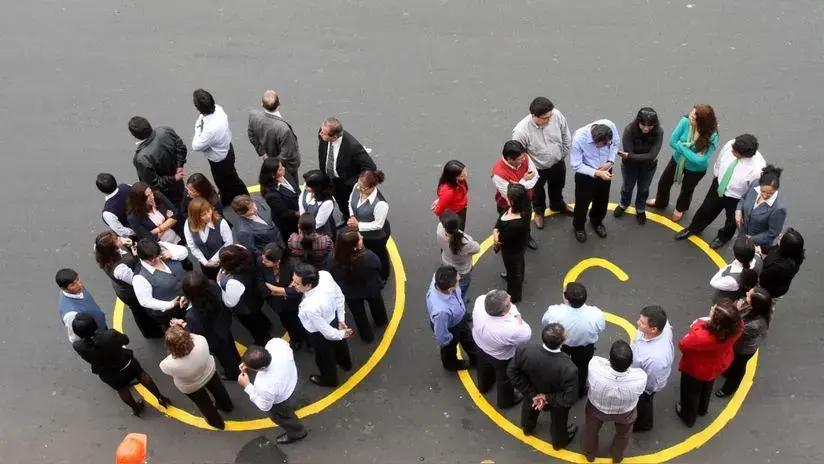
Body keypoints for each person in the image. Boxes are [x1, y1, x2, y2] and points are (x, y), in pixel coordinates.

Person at [674, 134, 766, 247]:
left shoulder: (757, 169)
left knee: (732, 220)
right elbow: (719, 160)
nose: (731, 151)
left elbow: (754, 191)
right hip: (719, 185)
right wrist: (716, 175)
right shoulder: (731, 144)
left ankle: (723, 237)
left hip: (737, 196)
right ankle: (694, 228)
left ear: (745, 155)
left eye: (735, 152)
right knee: (706, 208)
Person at [72, 313, 170, 416]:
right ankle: (160, 397)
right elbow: (126, 340)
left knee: (121, 389)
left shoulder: (78, 346)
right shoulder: (109, 334)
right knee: (142, 375)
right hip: (126, 363)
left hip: (108, 373)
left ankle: (135, 408)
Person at [507, 323, 578, 449]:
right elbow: (569, 398)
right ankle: (558, 442)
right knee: (558, 422)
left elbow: (512, 372)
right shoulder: (569, 368)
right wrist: (546, 398)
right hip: (555, 400)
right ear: (562, 342)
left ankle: (527, 428)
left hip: (532, 392)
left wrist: (532, 393)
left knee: (529, 409)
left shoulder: (524, 350)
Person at [647, 104, 720, 222]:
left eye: (693, 117)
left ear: (702, 122)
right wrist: (692, 154)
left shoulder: (712, 136)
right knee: (664, 183)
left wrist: (681, 147)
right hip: (677, 160)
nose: (689, 117)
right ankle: (660, 202)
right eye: (691, 114)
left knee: (687, 190)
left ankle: (680, 209)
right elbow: (672, 141)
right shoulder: (684, 121)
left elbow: (701, 160)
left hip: (696, 170)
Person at [677, 299, 743, 427]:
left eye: (714, 309)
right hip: (716, 364)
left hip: (697, 368)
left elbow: (683, 345)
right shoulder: (737, 327)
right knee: (707, 387)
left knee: (690, 393)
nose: (711, 308)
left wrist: (699, 324)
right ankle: (702, 409)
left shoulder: (701, 336)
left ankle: (688, 417)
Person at [581, 341, 648, 463]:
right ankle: (617, 456)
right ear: (630, 362)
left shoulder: (594, 366)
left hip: (596, 408)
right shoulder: (641, 377)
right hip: (625, 412)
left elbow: (596, 359)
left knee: (591, 430)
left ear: (610, 359)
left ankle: (590, 455)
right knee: (623, 434)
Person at [512, 96, 574, 227]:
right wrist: (528, 170)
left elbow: (565, 135)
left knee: (558, 185)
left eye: (550, 116)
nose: (549, 119)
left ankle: (557, 204)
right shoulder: (521, 131)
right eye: (545, 118)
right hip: (537, 168)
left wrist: (562, 154)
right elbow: (519, 155)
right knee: (537, 192)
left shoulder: (555, 115)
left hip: (557, 162)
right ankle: (539, 212)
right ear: (534, 116)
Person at [159, 324, 233, 429]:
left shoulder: (168, 363)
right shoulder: (201, 341)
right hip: (209, 372)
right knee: (218, 389)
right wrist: (181, 328)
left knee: (204, 403)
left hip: (191, 385)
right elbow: (194, 336)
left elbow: (164, 369)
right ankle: (226, 406)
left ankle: (217, 423)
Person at [293, 263, 354, 387]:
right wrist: (341, 319)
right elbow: (339, 296)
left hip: (317, 333)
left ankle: (330, 380)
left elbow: (327, 332)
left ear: (308, 285)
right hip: (333, 318)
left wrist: (341, 333)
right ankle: (346, 364)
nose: (293, 284)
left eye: (296, 283)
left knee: (324, 357)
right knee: (340, 345)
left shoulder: (310, 307)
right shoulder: (324, 276)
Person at [94, 231, 164, 338]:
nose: (119, 239)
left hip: (123, 285)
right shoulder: (119, 269)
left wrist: (124, 240)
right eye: (116, 240)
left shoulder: (103, 251)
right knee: (140, 312)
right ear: (112, 248)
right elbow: (135, 280)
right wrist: (136, 257)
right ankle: (150, 332)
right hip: (130, 292)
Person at [541, 282, 606, 397]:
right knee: (582, 368)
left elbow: (545, 323)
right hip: (585, 348)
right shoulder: (596, 314)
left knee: (561, 366)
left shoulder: (554, 312)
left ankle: (562, 387)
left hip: (562, 345)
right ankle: (580, 391)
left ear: (566, 299)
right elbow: (600, 328)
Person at [238, 340, 308, 444]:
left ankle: (297, 433)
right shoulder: (276, 344)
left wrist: (247, 386)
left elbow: (264, 406)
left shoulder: (264, 385)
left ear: (262, 368)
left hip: (280, 400)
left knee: (283, 417)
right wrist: (248, 363)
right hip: (290, 381)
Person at [471, 290, 532, 409]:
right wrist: (516, 314)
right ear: (503, 312)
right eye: (509, 302)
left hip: (480, 345)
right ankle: (506, 401)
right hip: (500, 356)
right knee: (504, 378)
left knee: (483, 366)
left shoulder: (479, 302)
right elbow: (526, 334)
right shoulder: (512, 329)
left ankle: (484, 385)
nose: (510, 296)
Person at [191, 88, 249, 205]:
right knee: (232, 177)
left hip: (219, 160)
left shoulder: (210, 131)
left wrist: (198, 128)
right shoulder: (218, 109)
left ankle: (240, 199)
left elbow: (196, 145)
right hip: (227, 150)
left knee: (227, 181)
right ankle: (235, 196)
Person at [331, 227, 389, 343]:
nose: (362, 237)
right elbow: (378, 266)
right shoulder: (368, 257)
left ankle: (366, 336)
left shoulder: (335, 259)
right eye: (359, 238)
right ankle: (380, 321)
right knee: (377, 304)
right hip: (370, 287)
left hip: (351, 292)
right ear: (355, 246)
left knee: (359, 315)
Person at [182, 271, 242, 379]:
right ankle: (237, 359)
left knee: (223, 356)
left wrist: (182, 323)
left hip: (213, 337)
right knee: (230, 344)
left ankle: (233, 373)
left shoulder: (192, 315)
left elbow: (196, 330)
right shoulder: (213, 286)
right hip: (224, 322)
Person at [570, 119, 621, 242]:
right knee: (582, 203)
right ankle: (579, 226)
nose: (607, 146)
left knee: (602, 200)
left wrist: (610, 161)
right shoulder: (579, 139)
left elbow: (615, 144)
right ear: (595, 142)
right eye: (605, 145)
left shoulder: (610, 126)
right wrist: (597, 173)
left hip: (606, 168)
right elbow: (576, 165)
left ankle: (596, 221)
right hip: (586, 174)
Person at [318, 116, 377, 220]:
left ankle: (349, 218)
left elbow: (370, 167)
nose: (320, 134)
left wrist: (354, 181)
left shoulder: (352, 147)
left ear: (334, 137)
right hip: (329, 177)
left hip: (344, 183)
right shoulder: (324, 134)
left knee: (345, 203)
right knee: (339, 201)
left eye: (323, 133)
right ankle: (345, 214)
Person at [717, 287, 772, 397]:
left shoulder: (755, 325)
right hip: (738, 345)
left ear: (755, 303)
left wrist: (736, 311)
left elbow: (736, 332)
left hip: (744, 350)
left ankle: (729, 389)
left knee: (739, 367)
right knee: (733, 362)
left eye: (749, 295)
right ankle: (728, 372)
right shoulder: (752, 307)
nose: (746, 294)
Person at [613, 108, 664, 224]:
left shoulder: (659, 132)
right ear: (638, 122)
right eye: (643, 125)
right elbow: (648, 155)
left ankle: (640, 208)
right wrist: (640, 156)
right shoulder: (629, 130)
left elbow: (652, 155)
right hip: (630, 167)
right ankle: (623, 203)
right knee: (627, 187)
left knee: (644, 189)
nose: (646, 128)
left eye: (650, 125)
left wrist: (630, 156)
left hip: (647, 167)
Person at [217, 244, 273, 346]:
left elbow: (230, 303)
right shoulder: (248, 259)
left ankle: (263, 339)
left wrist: (220, 283)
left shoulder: (233, 282)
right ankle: (267, 325)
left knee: (253, 327)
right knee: (259, 314)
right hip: (255, 297)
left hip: (246, 309)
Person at [629, 305, 674, 432]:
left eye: (642, 322)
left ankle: (643, 424)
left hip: (644, 388)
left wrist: (641, 390)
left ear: (654, 329)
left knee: (644, 404)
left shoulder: (656, 359)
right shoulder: (661, 326)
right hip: (641, 375)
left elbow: (651, 384)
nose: (638, 322)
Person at [425, 265, 478, 371]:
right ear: (450, 289)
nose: (460, 279)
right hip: (451, 327)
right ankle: (451, 364)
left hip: (458, 319)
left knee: (468, 339)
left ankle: (476, 359)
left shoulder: (438, 278)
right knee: (449, 349)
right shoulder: (441, 311)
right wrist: (449, 340)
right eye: (458, 281)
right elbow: (441, 335)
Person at [129, 116, 188, 208]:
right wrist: (180, 166)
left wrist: (174, 178)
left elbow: (154, 183)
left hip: (166, 193)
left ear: (134, 135)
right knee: (183, 201)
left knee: (174, 211)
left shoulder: (141, 158)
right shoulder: (165, 130)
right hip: (178, 179)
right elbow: (181, 148)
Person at [259, 243, 308, 350]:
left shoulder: (293, 265)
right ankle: (296, 339)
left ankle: (308, 340)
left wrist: (275, 289)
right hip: (278, 305)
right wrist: (286, 291)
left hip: (295, 302)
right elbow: (261, 285)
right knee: (289, 323)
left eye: (266, 261)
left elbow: (298, 288)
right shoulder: (261, 262)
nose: (263, 262)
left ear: (278, 261)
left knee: (304, 320)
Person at [132, 238, 190, 329]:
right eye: (152, 259)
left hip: (189, 297)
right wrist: (171, 304)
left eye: (158, 255)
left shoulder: (161, 247)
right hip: (171, 312)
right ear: (142, 257)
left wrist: (173, 254)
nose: (158, 259)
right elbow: (145, 301)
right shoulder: (139, 277)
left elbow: (184, 251)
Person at [491, 140, 538, 249]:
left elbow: (535, 176)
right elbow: (510, 194)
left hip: (526, 200)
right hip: (507, 205)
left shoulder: (524, 156)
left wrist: (520, 184)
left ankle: (527, 237)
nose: (523, 159)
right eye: (520, 159)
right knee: (507, 226)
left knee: (526, 221)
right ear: (509, 159)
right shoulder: (497, 174)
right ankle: (506, 242)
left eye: (523, 157)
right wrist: (524, 180)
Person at [346, 170, 392, 280]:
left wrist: (358, 225)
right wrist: (352, 215)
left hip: (376, 235)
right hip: (359, 229)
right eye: (358, 185)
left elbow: (378, 225)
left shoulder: (380, 204)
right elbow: (350, 202)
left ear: (371, 187)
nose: (359, 189)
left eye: (363, 188)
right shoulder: (357, 187)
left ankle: (383, 275)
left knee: (379, 254)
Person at [247, 89, 301, 178]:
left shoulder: (254, 116)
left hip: (269, 159)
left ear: (261, 104)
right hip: (285, 168)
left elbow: (251, 135)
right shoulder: (284, 129)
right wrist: (276, 166)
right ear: (279, 104)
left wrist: (263, 154)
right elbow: (287, 153)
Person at [493, 184, 532, 303]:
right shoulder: (525, 209)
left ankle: (514, 295)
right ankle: (519, 278)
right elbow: (501, 219)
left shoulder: (514, 224)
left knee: (513, 271)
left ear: (514, 201)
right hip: (520, 245)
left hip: (511, 250)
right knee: (519, 263)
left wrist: (495, 237)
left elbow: (502, 238)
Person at [736, 165, 787, 250]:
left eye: (770, 193)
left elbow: (772, 233)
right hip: (743, 233)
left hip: (758, 245)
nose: (765, 195)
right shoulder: (755, 184)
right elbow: (743, 198)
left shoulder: (778, 209)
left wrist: (751, 239)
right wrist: (738, 211)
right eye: (762, 191)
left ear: (776, 190)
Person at [184, 197, 233, 280]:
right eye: (203, 214)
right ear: (195, 216)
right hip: (205, 264)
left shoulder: (221, 222)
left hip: (224, 261)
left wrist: (214, 259)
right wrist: (205, 262)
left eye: (209, 211)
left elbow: (228, 243)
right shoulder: (188, 223)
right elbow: (192, 246)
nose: (208, 216)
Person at [436, 210, 481, 302]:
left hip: (446, 262)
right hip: (462, 270)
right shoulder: (465, 243)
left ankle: (452, 300)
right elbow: (477, 248)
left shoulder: (439, 230)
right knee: (461, 289)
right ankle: (460, 302)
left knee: (451, 286)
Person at [55, 268, 108, 343]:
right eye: (73, 285)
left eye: (78, 279)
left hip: (101, 327)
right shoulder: (70, 314)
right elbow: (75, 338)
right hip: (96, 338)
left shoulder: (77, 289)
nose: (79, 285)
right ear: (64, 288)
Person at [710, 236, 762, 302]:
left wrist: (727, 267)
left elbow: (713, 282)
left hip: (727, 300)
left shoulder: (732, 279)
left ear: (735, 254)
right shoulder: (758, 258)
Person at [259, 157, 301, 239]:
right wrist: (299, 213)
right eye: (280, 169)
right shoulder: (271, 194)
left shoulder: (284, 174)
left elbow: (296, 189)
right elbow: (284, 213)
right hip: (289, 222)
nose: (284, 168)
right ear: (273, 175)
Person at [759, 228, 805, 298]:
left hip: (770, 290)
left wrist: (759, 254)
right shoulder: (796, 254)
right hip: (781, 286)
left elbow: (763, 278)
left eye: (782, 238)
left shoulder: (778, 266)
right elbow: (773, 249)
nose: (780, 235)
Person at [299, 169, 337, 238]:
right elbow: (301, 205)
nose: (305, 186)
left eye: (308, 186)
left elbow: (318, 223)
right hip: (305, 227)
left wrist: (303, 228)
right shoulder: (306, 190)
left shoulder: (327, 202)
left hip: (320, 233)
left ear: (317, 187)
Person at [432, 160, 469, 228]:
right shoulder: (448, 192)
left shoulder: (459, 181)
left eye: (465, 172)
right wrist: (442, 201)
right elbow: (438, 211)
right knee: (456, 233)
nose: (466, 176)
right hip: (454, 215)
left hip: (461, 208)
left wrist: (441, 200)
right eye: (462, 176)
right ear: (453, 177)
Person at [96, 173, 136, 238]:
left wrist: (137, 231)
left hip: (137, 234)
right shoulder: (126, 186)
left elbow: (122, 232)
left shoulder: (108, 212)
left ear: (101, 190)